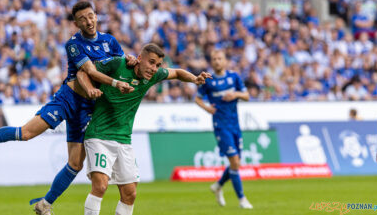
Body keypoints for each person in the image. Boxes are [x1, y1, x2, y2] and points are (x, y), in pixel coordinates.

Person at [0, 1, 135, 215]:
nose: (88, 21)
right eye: (82, 19)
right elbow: (90, 71)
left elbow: (122, 65)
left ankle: (44, 204)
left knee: (75, 164)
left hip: (89, 107)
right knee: (26, 133)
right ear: (76, 23)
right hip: (68, 99)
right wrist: (116, 84)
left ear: (96, 16)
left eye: (91, 16)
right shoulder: (74, 44)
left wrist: (131, 61)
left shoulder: (110, 41)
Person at [78, 43, 211, 215]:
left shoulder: (152, 77)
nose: (154, 68)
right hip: (99, 135)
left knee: (130, 194)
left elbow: (177, 72)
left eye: (157, 65)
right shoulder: (118, 64)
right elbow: (84, 71)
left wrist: (194, 79)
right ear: (139, 59)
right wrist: (90, 89)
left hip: (124, 139)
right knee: (101, 185)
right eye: (151, 62)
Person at [195, 49, 253, 209]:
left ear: (225, 61)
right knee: (234, 161)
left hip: (235, 125)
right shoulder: (209, 80)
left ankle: (218, 186)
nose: (217, 61)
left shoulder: (234, 77)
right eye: (214, 59)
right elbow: (197, 99)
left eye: (219, 58)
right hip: (220, 126)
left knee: (236, 163)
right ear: (211, 62)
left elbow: (247, 96)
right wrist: (207, 108)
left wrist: (235, 95)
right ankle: (242, 200)